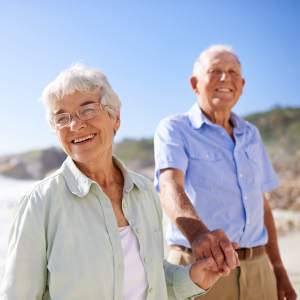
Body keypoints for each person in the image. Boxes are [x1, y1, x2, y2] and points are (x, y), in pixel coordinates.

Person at [0, 64, 239, 300]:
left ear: (115, 117)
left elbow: (152, 278)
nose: (75, 125)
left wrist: (192, 279)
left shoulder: (144, 192)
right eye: (62, 117)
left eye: (88, 110)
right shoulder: (40, 203)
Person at [154, 45, 297, 300]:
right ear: (194, 83)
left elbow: (261, 205)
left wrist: (278, 268)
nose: (224, 78)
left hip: (258, 269)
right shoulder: (174, 129)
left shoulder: (251, 134)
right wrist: (199, 235)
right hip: (200, 266)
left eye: (232, 72)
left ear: (241, 85)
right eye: (215, 70)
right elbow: (169, 186)